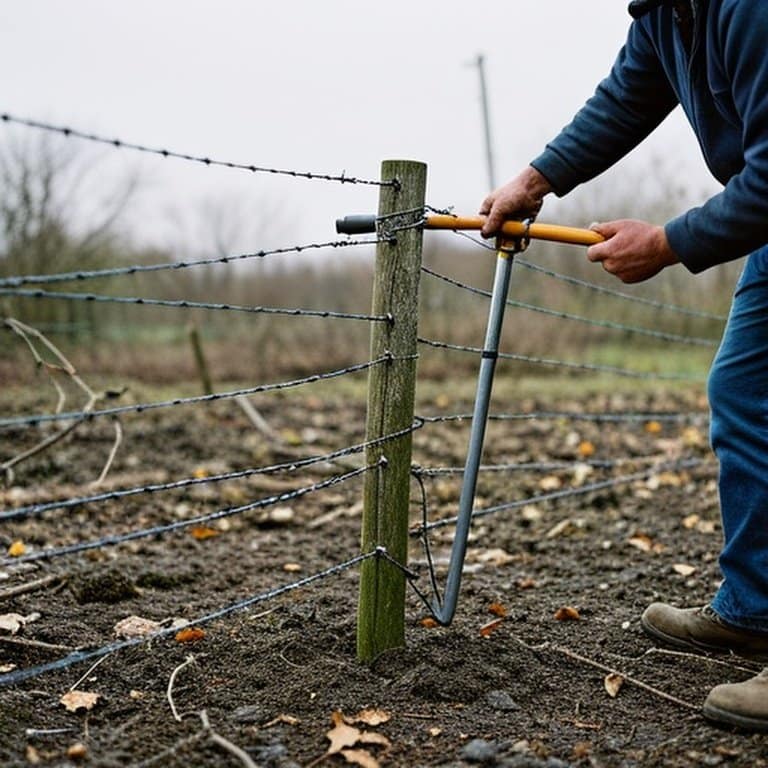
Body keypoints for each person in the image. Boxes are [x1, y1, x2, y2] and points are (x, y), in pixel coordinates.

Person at [479, 0, 768, 731]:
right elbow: (628, 95)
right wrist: (535, 179)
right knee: (744, 392)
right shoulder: (670, 16)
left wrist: (668, 242)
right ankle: (755, 608)